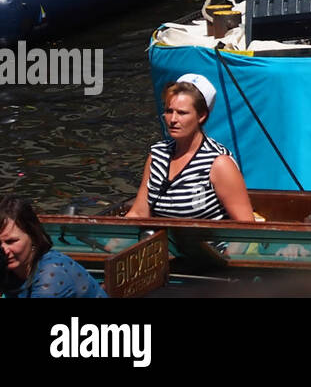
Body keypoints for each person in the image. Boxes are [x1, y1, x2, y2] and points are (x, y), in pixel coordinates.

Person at [126, 74, 255, 220]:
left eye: (182, 113)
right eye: (169, 111)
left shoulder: (219, 163)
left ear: (201, 116)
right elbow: (138, 213)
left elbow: (246, 226)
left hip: (209, 242)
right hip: (164, 241)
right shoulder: (157, 155)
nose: (173, 120)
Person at [1, 197, 106, 298]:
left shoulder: (51, 274)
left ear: (33, 236)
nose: (4, 250)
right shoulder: (9, 268)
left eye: (11, 241)